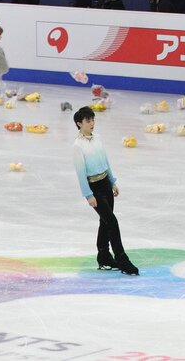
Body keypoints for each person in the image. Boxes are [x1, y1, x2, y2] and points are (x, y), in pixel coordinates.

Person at [72, 106, 138, 274]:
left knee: (105, 222)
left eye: (93, 120)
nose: (92, 123)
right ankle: (122, 260)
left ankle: (104, 257)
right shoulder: (77, 146)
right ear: (79, 124)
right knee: (112, 221)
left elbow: (105, 161)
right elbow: (80, 173)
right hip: (94, 188)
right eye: (88, 121)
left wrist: (112, 181)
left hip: (105, 184)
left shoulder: (98, 138)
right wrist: (88, 195)